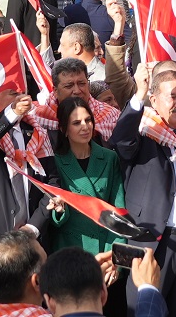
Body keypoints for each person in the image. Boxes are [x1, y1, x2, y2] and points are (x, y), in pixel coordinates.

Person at [33, 96, 123, 258]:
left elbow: (118, 211)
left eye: (88, 120)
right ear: (64, 129)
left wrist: (114, 257)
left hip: (104, 251)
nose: (85, 127)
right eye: (76, 123)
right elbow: (55, 218)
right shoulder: (55, 162)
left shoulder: (110, 158)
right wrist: (59, 211)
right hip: (68, 253)